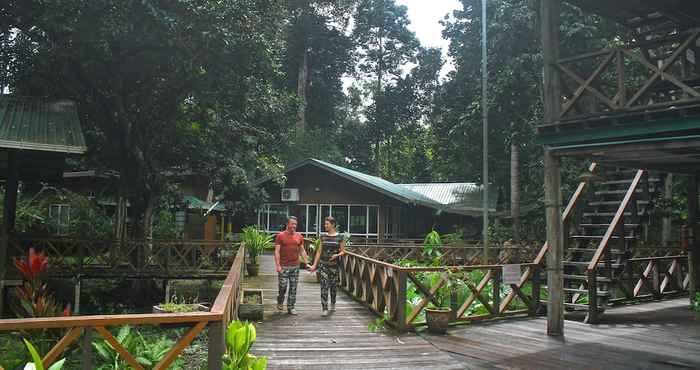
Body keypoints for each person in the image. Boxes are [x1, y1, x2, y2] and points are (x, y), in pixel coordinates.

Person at [310, 216, 346, 317]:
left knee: (333, 287)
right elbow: (319, 251)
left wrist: (337, 255)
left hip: (334, 266)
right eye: (325, 224)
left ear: (333, 225)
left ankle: (333, 303)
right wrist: (314, 265)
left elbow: (343, 251)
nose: (325, 226)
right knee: (324, 287)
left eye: (327, 224)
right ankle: (324, 308)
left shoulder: (340, 237)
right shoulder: (323, 237)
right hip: (323, 265)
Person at [274, 216, 310, 315]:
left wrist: (307, 263)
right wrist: (278, 265)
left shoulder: (299, 236)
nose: (294, 226)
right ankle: (280, 300)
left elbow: (302, 250)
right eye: (292, 224)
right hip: (284, 266)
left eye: (295, 224)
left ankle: (291, 307)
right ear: (287, 224)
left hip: (295, 266)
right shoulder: (280, 236)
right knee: (283, 287)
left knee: (293, 288)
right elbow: (277, 251)